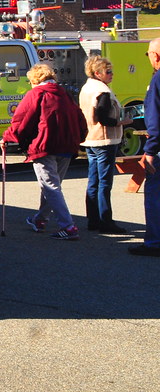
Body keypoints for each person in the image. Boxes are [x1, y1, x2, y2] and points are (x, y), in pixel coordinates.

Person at [1, 62, 87, 240]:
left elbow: (22, 120)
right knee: (53, 186)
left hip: (45, 145)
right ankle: (40, 219)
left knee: (50, 186)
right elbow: (80, 118)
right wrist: (80, 137)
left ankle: (68, 226)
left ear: (34, 79)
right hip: (67, 145)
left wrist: (8, 137)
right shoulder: (65, 94)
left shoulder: (35, 94)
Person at [79, 55, 133, 233]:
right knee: (104, 183)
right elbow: (103, 118)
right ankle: (105, 221)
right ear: (97, 73)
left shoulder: (87, 87)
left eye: (112, 71)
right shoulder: (102, 91)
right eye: (108, 72)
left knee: (93, 181)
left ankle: (93, 220)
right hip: (104, 139)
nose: (112, 75)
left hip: (91, 139)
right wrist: (121, 123)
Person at [129, 37, 160, 256]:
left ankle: (154, 242)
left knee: (155, 195)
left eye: (148, 54)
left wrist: (150, 151)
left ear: (156, 56)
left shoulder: (157, 80)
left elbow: (155, 120)